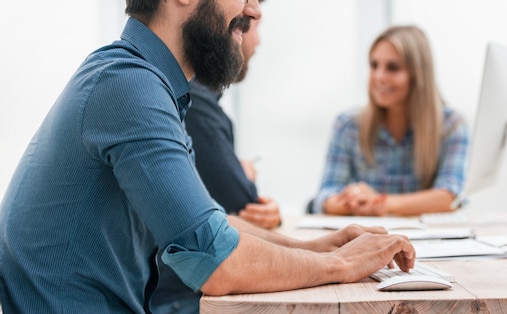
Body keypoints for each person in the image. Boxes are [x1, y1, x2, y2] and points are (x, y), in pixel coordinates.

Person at [0, 0, 416, 312]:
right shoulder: (129, 87)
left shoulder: (150, 85)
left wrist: (319, 249)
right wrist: (340, 265)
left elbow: (209, 226)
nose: (254, 10)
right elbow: (218, 263)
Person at [312, 25, 469, 216]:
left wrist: (380, 203)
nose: (379, 76)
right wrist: (355, 200)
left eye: (392, 68)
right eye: (374, 65)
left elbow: (451, 196)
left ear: (418, 75)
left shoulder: (451, 126)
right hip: (367, 239)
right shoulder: (347, 125)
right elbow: (326, 195)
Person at [184, 0, 281, 230]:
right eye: (249, 25)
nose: (257, 41)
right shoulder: (194, 103)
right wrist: (244, 176)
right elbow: (242, 204)